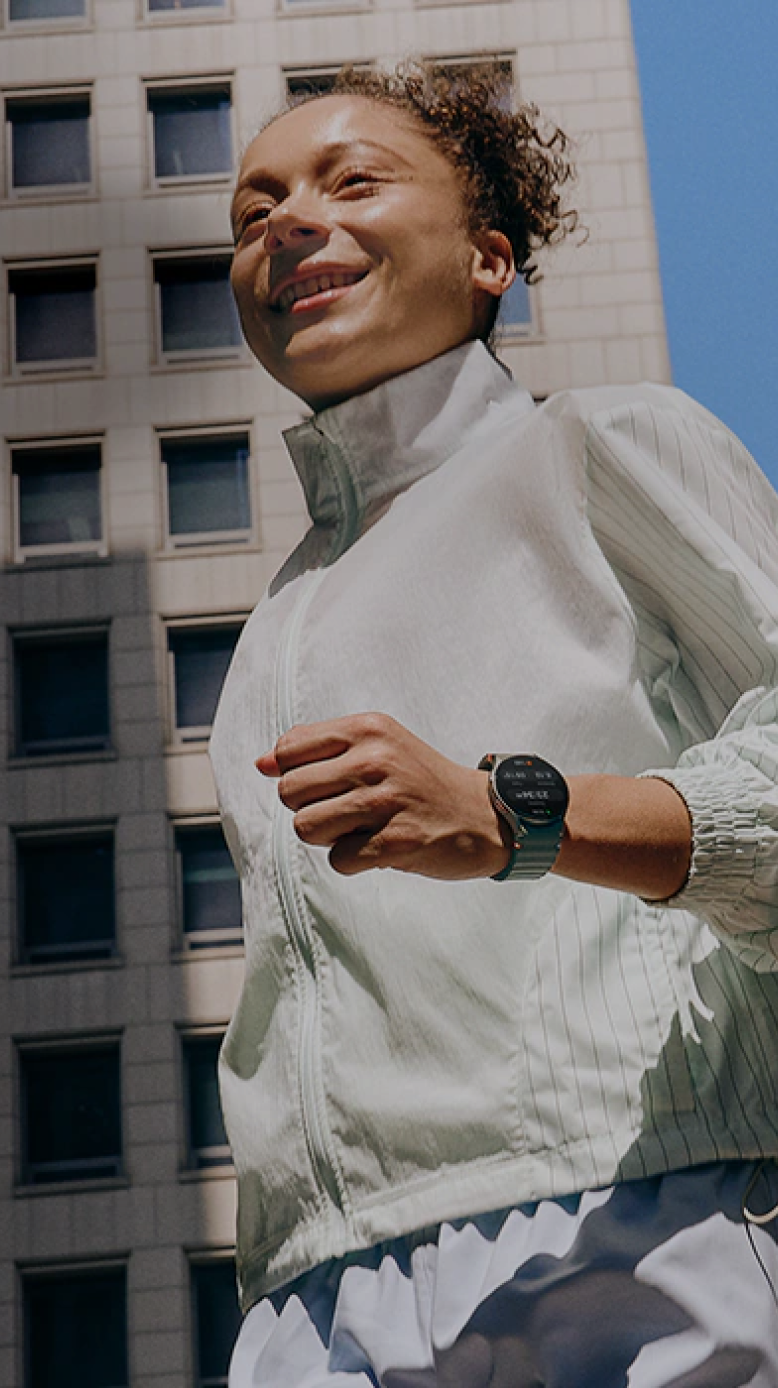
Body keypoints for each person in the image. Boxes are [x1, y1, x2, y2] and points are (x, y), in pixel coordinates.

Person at [210, 62, 778, 1386]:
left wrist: (515, 814)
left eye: (352, 182)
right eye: (255, 210)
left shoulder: (603, 443)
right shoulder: (274, 618)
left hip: (632, 1213)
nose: (288, 223)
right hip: (311, 1297)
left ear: (487, 258)